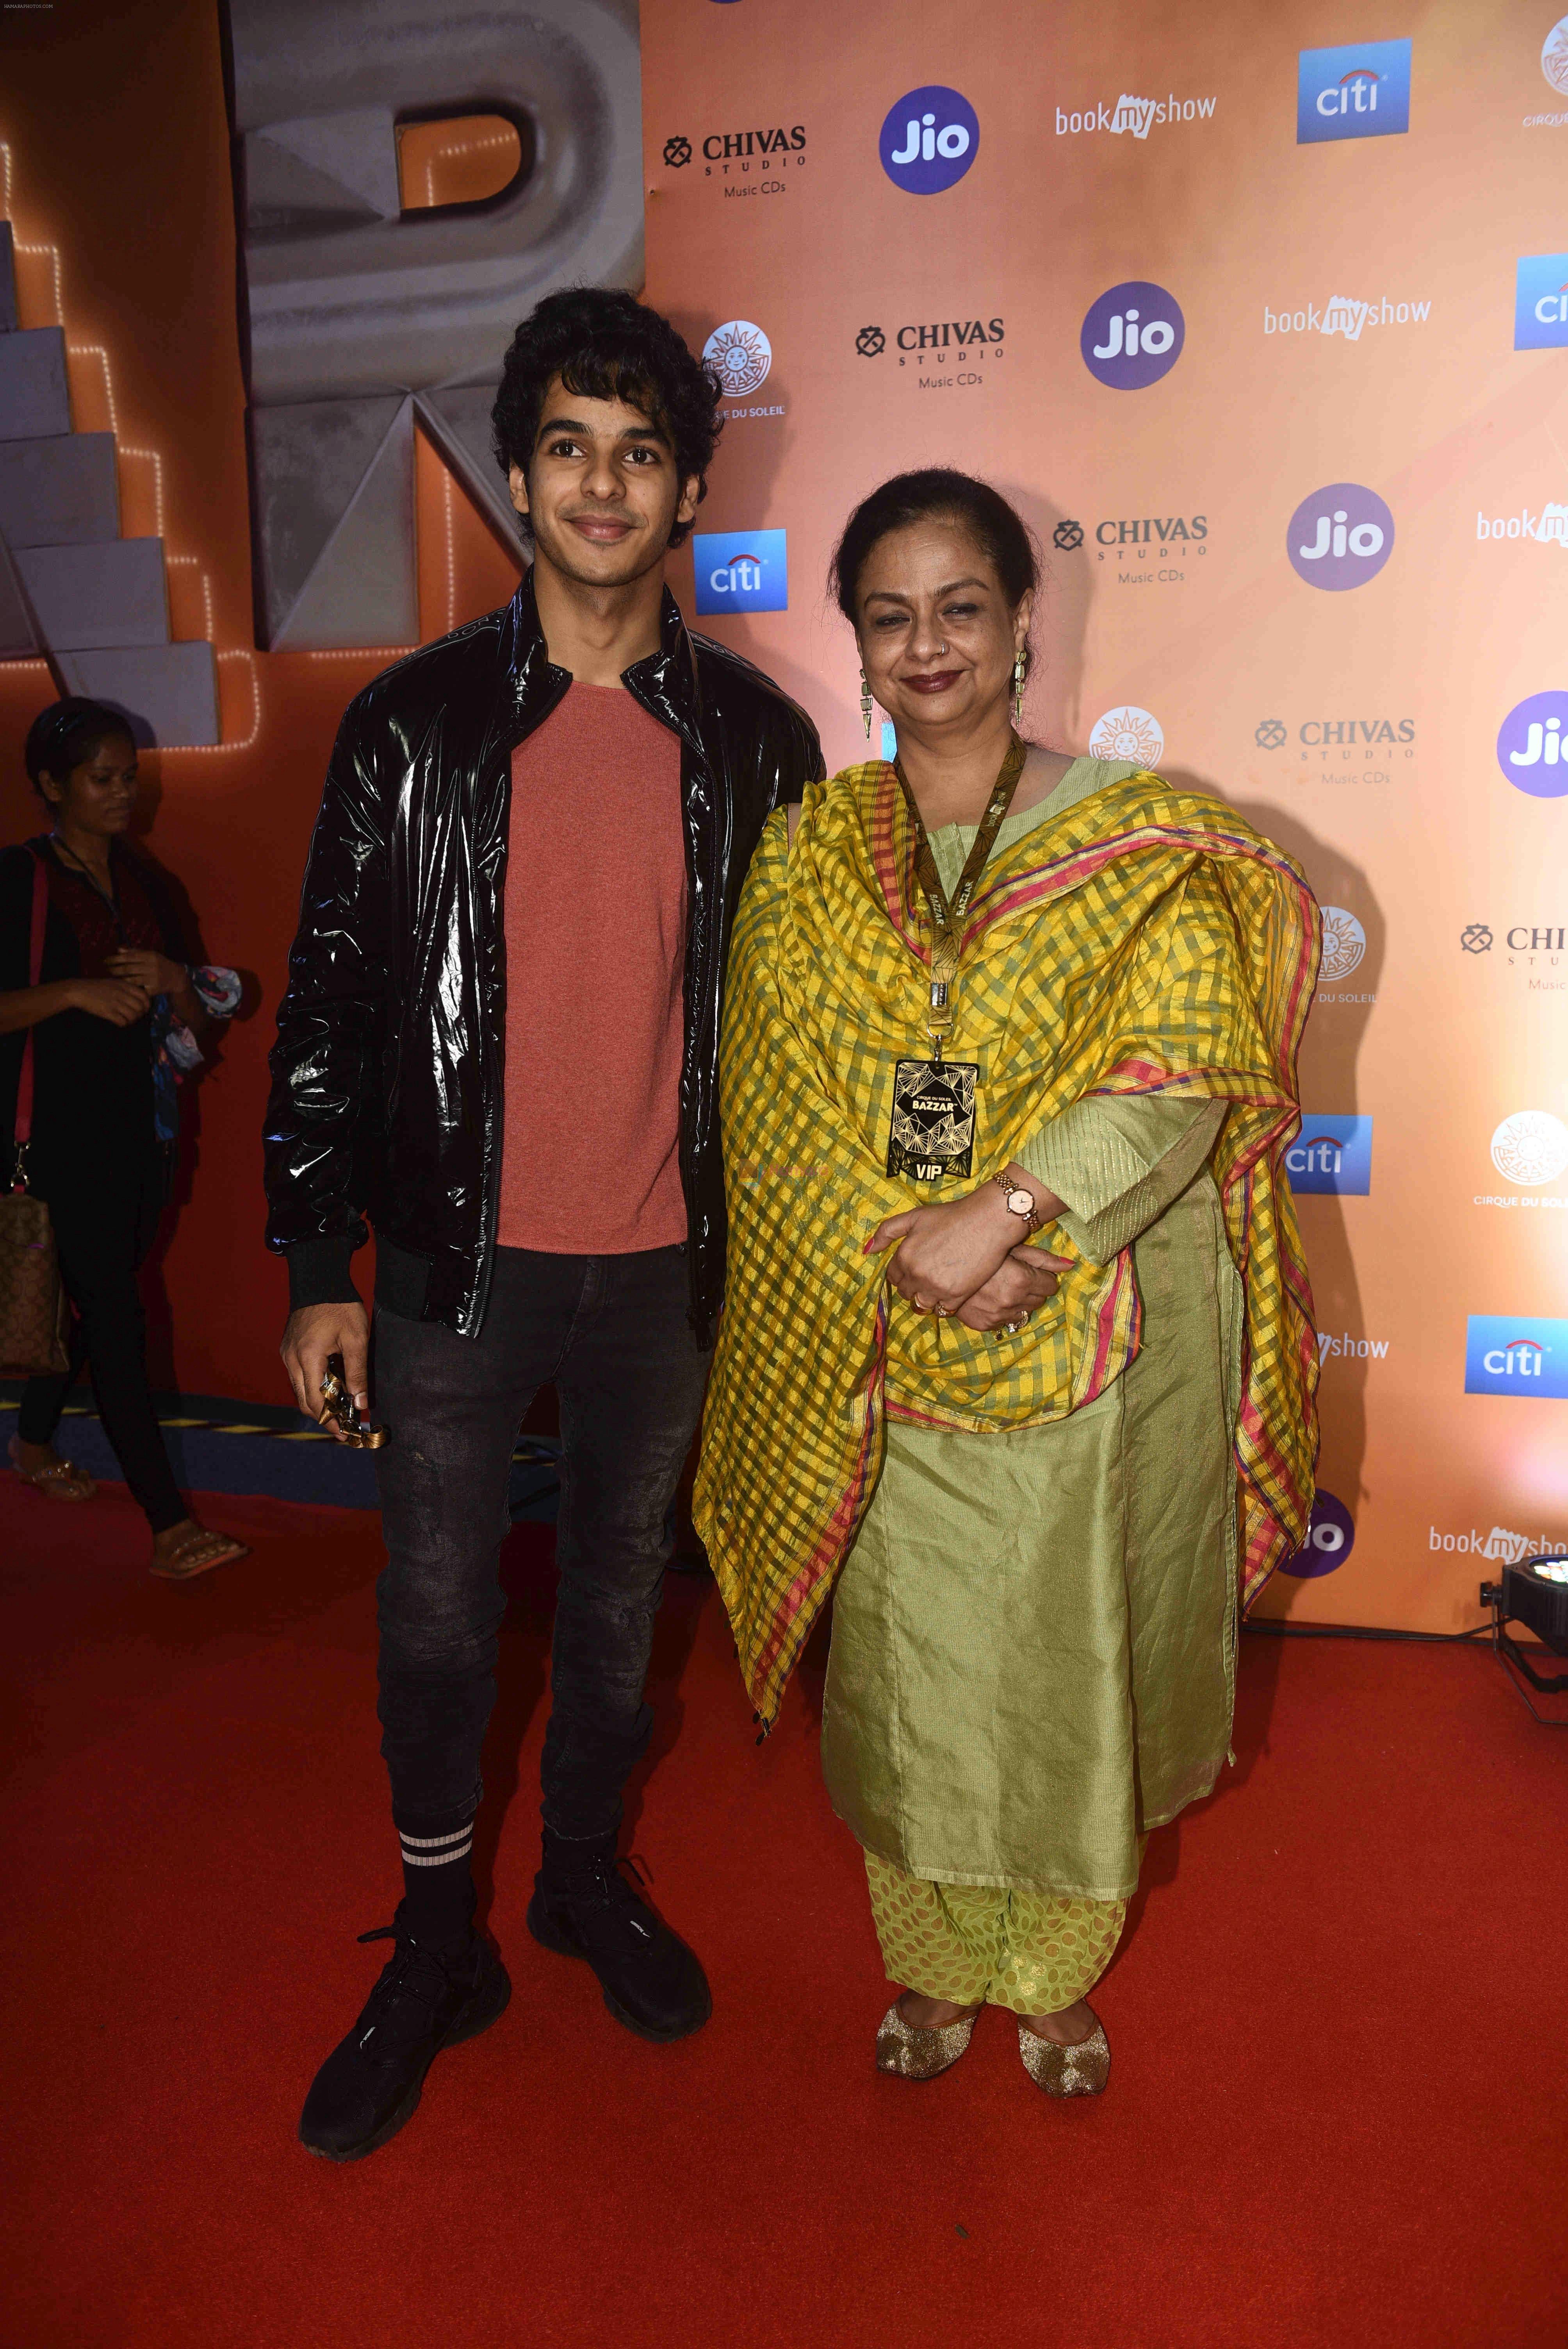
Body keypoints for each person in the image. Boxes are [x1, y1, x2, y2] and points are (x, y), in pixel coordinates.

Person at [265, 287, 823, 2162]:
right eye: (568, 446)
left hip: (663, 1273)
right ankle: (440, 1933)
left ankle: (578, 1877)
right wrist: (309, 1261)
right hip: (448, 1270)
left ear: (682, 493)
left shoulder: (755, 741)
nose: (601, 482)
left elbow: (787, 1025)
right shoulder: (411, 721)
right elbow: (333, 993)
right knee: (430, 1620)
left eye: (639, 450)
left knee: (606, 1622)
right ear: (516, 477)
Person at [696, 471, 1320, 2095]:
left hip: (1086, 1324)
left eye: (958, 608)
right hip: (887, 1331)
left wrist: (1014, 1216)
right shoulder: (815, 854)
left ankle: (1049, 1976)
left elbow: (1189, 1068)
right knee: (912, 1675)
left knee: (1062, 1667)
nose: (927, 645)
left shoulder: (1133, 839)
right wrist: (910, 1251)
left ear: (1021, 621)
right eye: (888, 615)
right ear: (852, 639)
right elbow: (770, 1097)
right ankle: (928, 1966)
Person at [0, 698, 247, 1578]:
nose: (121, 795)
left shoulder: (147, 883)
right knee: (114, 1311)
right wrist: (69, 992)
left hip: (144, 1130)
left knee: (90, 1300)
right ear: (50, 785)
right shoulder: (20, 880)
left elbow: (200, 1019)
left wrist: (176, 979)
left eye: (128, 778)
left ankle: (30, 1443)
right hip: (53, 1139)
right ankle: (168, 1521)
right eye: (102, 779)